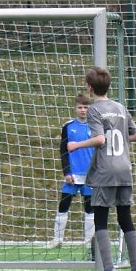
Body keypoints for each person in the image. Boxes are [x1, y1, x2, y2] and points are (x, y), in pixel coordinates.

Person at [67, 66, 136, 271]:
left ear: (90, 88)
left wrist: (76, 145)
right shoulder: (120, 107)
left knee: (100, 218)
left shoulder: (94, 110)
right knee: (125, 218)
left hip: (105, 171)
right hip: (124, 169)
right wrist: (118, 135)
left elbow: (100, 139)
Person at [47, 93, 95, 250]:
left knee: (90, 208)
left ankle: (89, 241)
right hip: (72, 175)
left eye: (86, 107)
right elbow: (63, 151)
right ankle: (57, 239)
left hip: (90, 175)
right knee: (63, 205)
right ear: (75, 108)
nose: (83, 110)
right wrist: (66, 172)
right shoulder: (68, 127)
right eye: (80, 107)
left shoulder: (96, 126)